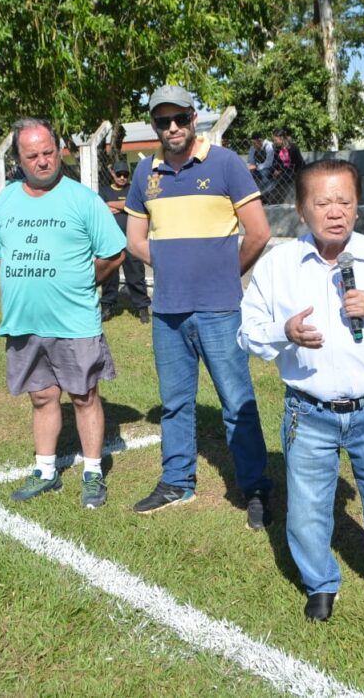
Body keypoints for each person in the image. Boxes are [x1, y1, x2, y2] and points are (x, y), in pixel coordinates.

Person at [238, 158, 364, 629]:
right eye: (322, 202)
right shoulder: (279, 265)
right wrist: (285, 332)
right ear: (302, 210)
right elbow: (248, 333)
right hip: (309, 413)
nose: (335, 211)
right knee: (307, 508)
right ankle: (320, 583)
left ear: (357, 207)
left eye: (344, 200)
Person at [124, 84, 275, 528]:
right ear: (154, 125)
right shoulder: (144, 173)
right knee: (174, 402)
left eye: (179, 119)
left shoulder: (226, 164)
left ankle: (256, 489)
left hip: (219, 308)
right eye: (161, 121)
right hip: (169, 310)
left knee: (236, 402)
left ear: (194, 118)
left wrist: (225, 274)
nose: (171, 128)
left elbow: (259, 233)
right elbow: (135, 240)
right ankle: (176, 481)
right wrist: (172, 264)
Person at [0, 118, 126, 509]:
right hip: (24, 321)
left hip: (74, 320)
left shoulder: (83, 199)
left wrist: (81, 282)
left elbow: (114, 252)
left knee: (83, 395)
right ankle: (46, 472)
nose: (44, 161)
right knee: (42, 396)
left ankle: (93, 473)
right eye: (33, 156)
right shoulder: (7, 200)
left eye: (49, 152)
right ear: (18, 159)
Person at [97, 159, 151, 323]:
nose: (122, 178)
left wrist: (113, 204)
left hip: (131, 240)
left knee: (136, 275)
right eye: (119, 174)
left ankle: (142, 309)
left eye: (125, 175)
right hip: (111, 241)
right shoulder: (104, 190)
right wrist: (125, 206)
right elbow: (99, 208)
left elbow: (132, 203)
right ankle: (107, 308)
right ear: (112, 173)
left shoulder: (133, 189)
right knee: (109, 277)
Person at [269, 130, 305, 203]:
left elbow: (295, 163)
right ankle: (269, 195)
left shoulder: (293, 147)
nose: (274, 142)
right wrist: (274, 170)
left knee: (283, 177)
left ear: (281, 138)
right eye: (273, 140)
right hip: (283, 170)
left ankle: (271, 197)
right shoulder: (277, 148)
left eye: (275, 140)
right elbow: (275, 162)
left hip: (295, 170)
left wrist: (280, 170)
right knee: (269, 174)